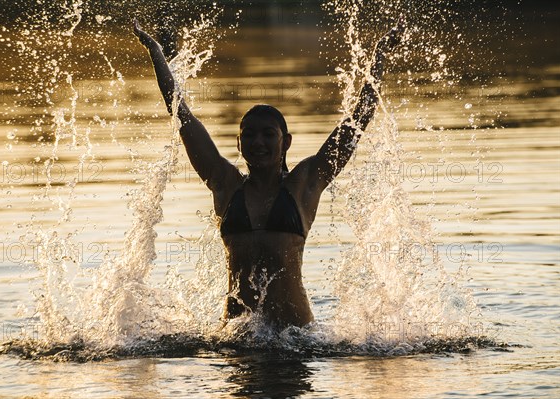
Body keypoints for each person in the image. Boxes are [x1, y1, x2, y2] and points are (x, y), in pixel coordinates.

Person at [133, 18, 403, 329]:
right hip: (237, 339)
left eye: (267, 134)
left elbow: (358, 118)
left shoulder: (304, 184)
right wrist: (155, 51)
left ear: (285, 141)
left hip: (296, 340)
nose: (257, 142)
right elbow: (180, 112)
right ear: (239, 142)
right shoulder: (225, 184)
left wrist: (379, 56)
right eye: (248, 135)